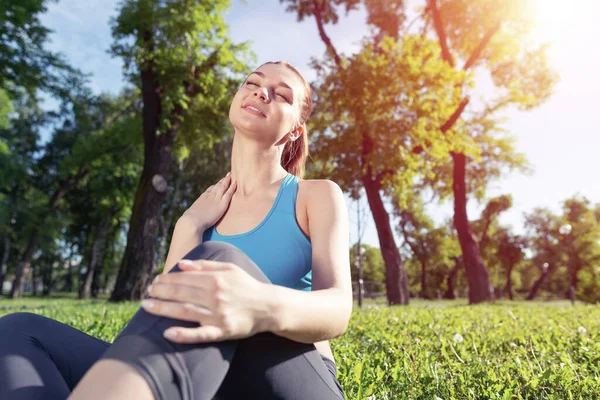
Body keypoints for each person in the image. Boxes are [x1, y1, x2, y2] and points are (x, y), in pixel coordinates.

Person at [0, 61, 352, 400]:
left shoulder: (315, 195)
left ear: (294, 131)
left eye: (281, 94)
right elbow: (165, 326)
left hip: (290, 377)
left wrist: (257, 304)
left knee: (219, 261)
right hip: (203, 381)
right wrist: (189, 224)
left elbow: (337, 309)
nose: (261, 93)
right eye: (253, 83)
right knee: (19, 330)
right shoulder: (204, 210)